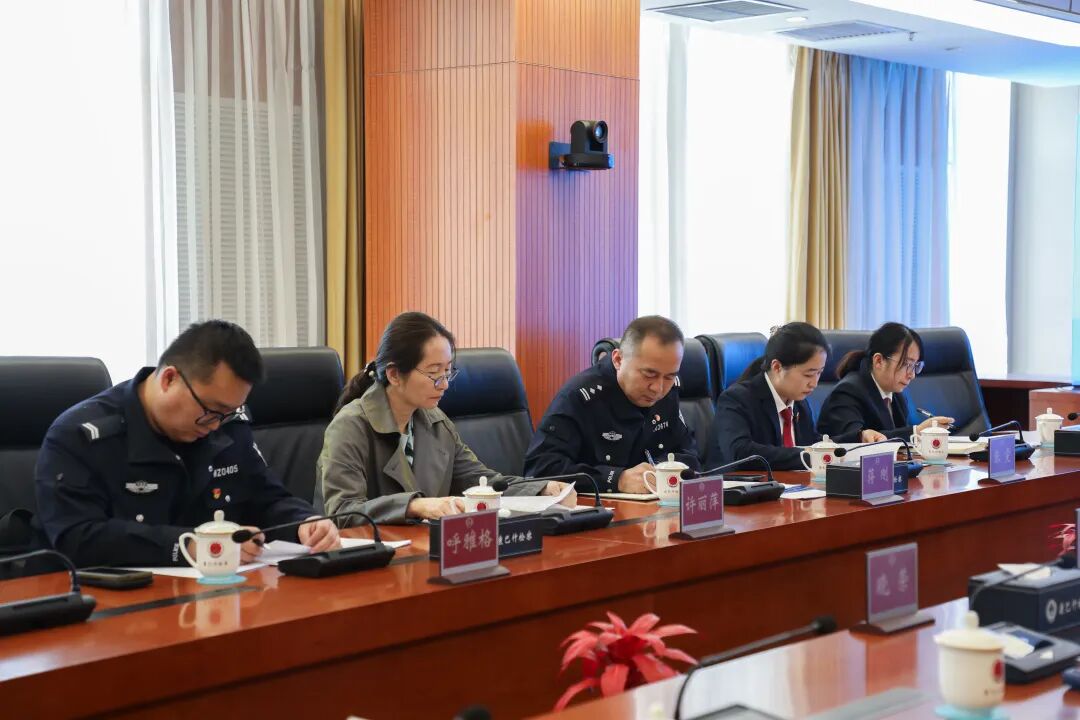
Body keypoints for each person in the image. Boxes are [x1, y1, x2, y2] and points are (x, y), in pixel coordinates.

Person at [35, 320, 339, 568]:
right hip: (118, 604)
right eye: (211, 410)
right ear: (169, 379)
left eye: (228, 412)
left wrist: (305, 523)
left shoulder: (226, 425)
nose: (217, 425)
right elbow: (76, 537)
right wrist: (189, 546)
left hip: (219, 595)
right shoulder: (81, 437)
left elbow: (266, 498)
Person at [318, 312, 575, 525]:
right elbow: (342, 511)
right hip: (365, 560)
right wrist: (414, 506)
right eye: (434, 373)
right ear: (394, 375)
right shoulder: (350, 426)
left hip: (424, 551)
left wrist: (542, 489)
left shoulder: (435, 422)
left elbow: (480, 480)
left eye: (448, 372)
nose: (444, 385)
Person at [525, 315, 700, 494]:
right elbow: (540, 469)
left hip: (654, 505)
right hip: (596, 507)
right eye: (649, 374)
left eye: (670, 376)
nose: (658, 388)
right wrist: (616, 479)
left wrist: (660, 471)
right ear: (618, 360)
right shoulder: (581, 397)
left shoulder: (668, 392)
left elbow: (689, 455)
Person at [708, 322, 886, 470]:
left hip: (790, 490)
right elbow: (740, 452)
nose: (814, 383)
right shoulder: (736, 400)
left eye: (819, 373)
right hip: (738, 494)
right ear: (777, 367)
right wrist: (808, 456)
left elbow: (812, 444)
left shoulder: (799, 403)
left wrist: (858, 437)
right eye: (808, 374)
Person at [817, 322, 953, 442]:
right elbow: (858, 441)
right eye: (906, 364)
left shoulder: (896, 394)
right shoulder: (847, 393)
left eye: (916, 366)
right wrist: (917, 432)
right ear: (879, 361)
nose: (912, 375)